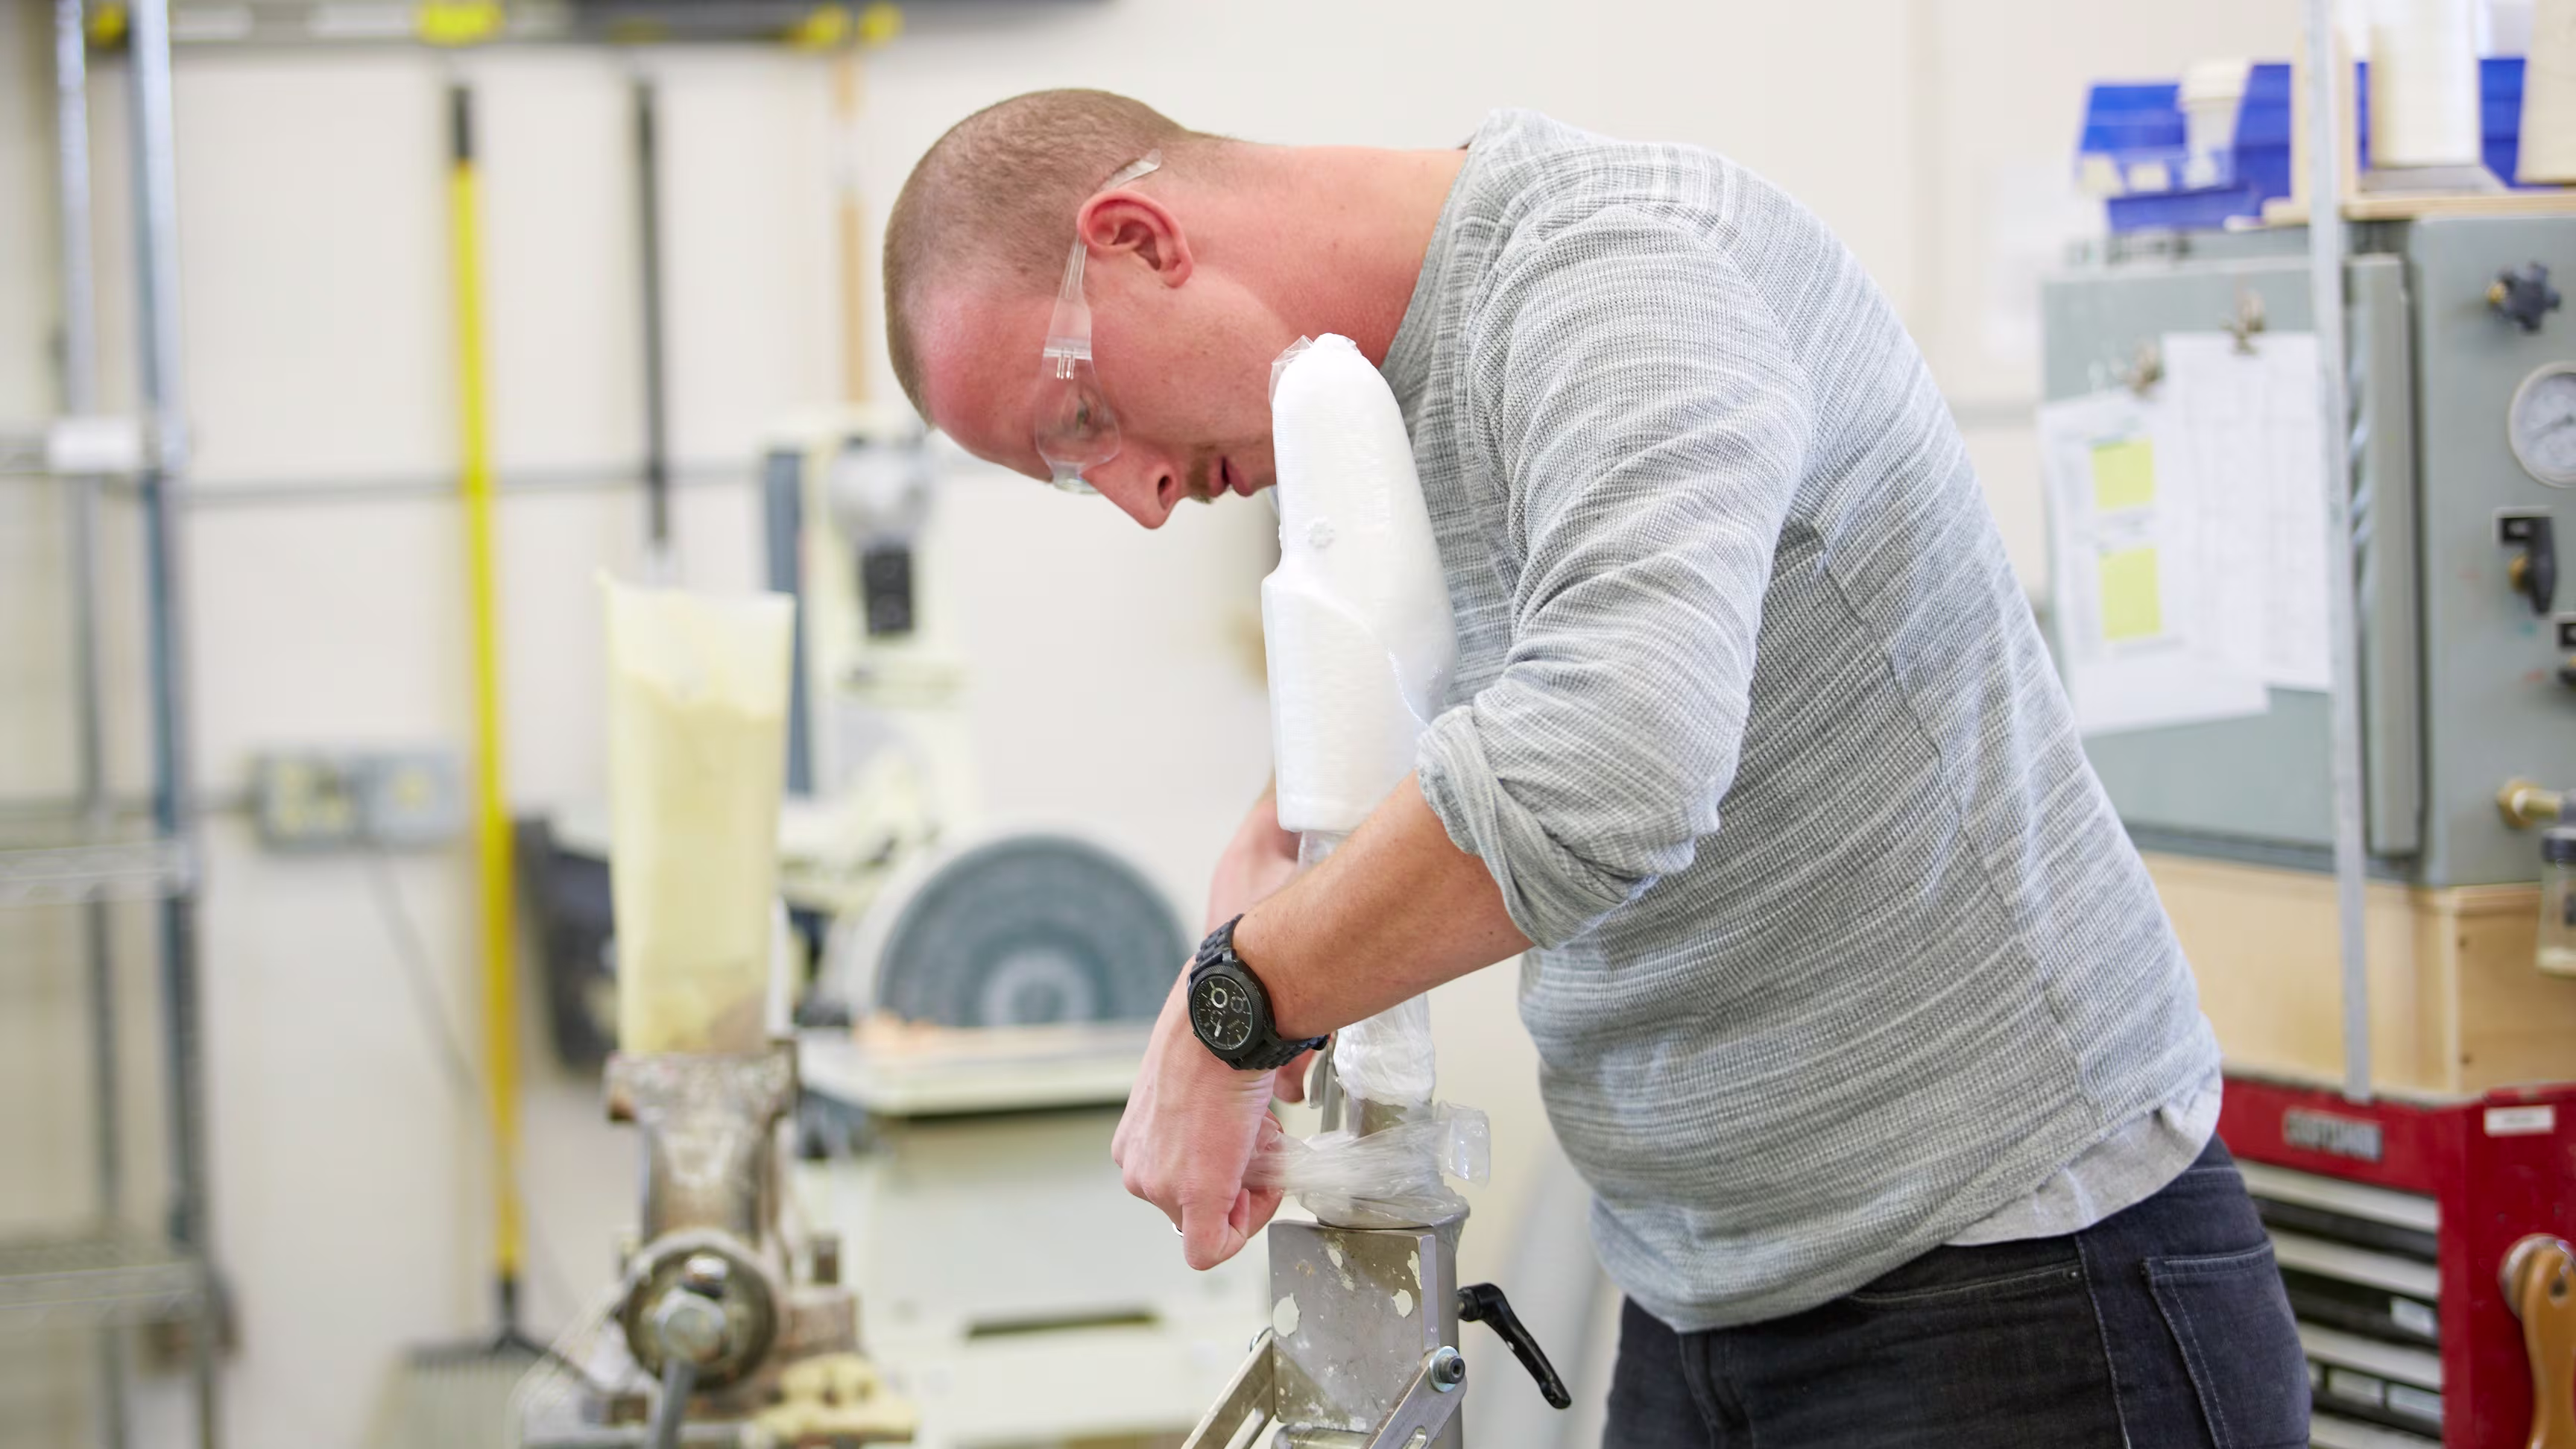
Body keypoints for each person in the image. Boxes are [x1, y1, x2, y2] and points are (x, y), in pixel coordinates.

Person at [880, 89, 2311, 1448]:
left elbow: (1612, 759)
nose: (1138, 496)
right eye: (1072, 476)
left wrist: (1236, 1009)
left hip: (2016, 1283)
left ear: (1140, 241)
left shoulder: (1615, 275)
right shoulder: (1361, 410)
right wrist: (1264, 896)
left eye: (1081, 420)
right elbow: (1394, 749)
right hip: (1711, 1294)